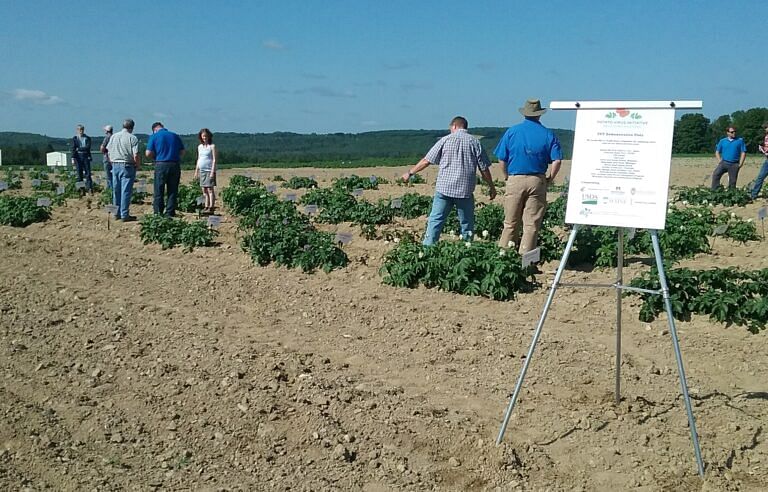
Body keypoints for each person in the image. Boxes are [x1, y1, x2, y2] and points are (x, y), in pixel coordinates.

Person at [402, 116, 496, 245]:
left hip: (444, 189)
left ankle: (428, 249)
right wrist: (491, 186)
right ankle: (466, 249)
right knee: (467, 224)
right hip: (465, 190)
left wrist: (410, 173)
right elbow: (484, 169)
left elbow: (426, 160)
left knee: (435, 220)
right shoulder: (475, 142)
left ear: (454, 126)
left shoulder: (445, 140)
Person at [495, 99, 562, 254]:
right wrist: (549, 178)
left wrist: (506, 176)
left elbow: (501, 159)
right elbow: (557, 161)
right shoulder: (547, 134)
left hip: (515, 178)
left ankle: (504, 256)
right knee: (531, 225)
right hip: (537, 179)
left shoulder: (512, 131)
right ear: (540, 115)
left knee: (510, 222)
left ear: (525, 113)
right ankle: (525, 260)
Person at [145, 122, 185, 217]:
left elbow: (148, 153)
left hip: (161, 164)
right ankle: (170, 212)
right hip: (174, 164)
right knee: (173, 190)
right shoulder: (175, 136)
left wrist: (155, 157)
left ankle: (158, 212)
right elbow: (183, 151)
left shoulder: (154, 136)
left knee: (159, 189)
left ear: (154, 130)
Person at [106, 119, 141, 221]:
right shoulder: (133, 138)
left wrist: (111, 162)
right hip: (127, 165)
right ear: (132, 127)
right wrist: (137, 165)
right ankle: (124, 214)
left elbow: (108, 151)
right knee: (126, 191)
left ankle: (116, 213)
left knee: (116, 190)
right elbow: (136, 154)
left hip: (115, 164)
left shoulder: (114, 136)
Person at [193, 128, 218, 214]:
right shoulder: (200, 147)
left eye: (206, 136)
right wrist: (196, 171)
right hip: (202, 170)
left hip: (209, 170)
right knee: (204, 189)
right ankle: (206, 206)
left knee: (210, 189)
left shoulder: (212, 146)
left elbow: (214, 159)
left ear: (209, 136)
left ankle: (211, 207)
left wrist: (212, 171)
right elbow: (199, 159)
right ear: (201, 137)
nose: (205, 137)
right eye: (203, 136)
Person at [71, 124, 93, 195]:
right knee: (79, 174)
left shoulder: (87, 138)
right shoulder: (75, 138)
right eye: (79, 129)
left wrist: (79, 149)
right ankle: (81, 189)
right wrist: (72, 157)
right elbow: (73, 148)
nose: (81, 131)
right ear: (77, 130)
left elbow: (87, 147)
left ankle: (89, 188)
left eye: (82, 129)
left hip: (86, 156)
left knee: (88, 173)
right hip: (78, 157)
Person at [750, 122, 768, 200]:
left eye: (766, 127)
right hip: (767, 161)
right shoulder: (766, 137)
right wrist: (762, 148)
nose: (765, 129)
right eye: (765, 128)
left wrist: (764, 150)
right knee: (760, 177)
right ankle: (754, 194)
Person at [99, 125, 114, 190]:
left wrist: (103, 152)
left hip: (107, 158)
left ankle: (110, 190)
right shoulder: (114, 137)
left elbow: (102, 147)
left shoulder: (107, 138)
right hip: (114, 158)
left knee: (108, 176)